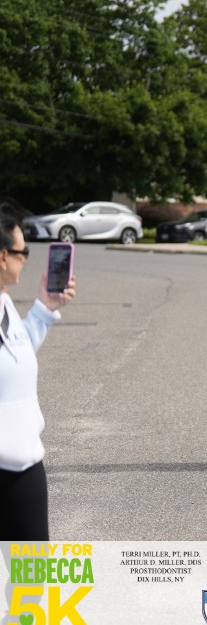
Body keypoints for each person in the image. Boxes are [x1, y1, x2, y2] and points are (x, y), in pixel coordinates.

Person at [0, 206, 76, 539]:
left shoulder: (4, 303)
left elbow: (15, 356)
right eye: (23, 252)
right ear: (3, 257)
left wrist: (45, 307)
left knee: (31, 570)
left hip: (24, 468)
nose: (27, 260)